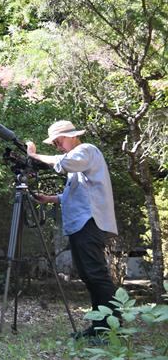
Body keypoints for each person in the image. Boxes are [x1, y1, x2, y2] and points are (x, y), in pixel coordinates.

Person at [26, 120, 118, 340]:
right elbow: (76, 194)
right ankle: (99, 326)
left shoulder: (86, 150)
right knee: (89, 276)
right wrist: (50, 199)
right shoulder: (79, 159)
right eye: (55, 144)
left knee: (96, 275)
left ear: (72, 135)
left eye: (59, 142)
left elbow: (64, 163)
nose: (58, 147)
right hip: (81, 223)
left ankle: (110, 329)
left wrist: (34, 156)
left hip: (89, 222)